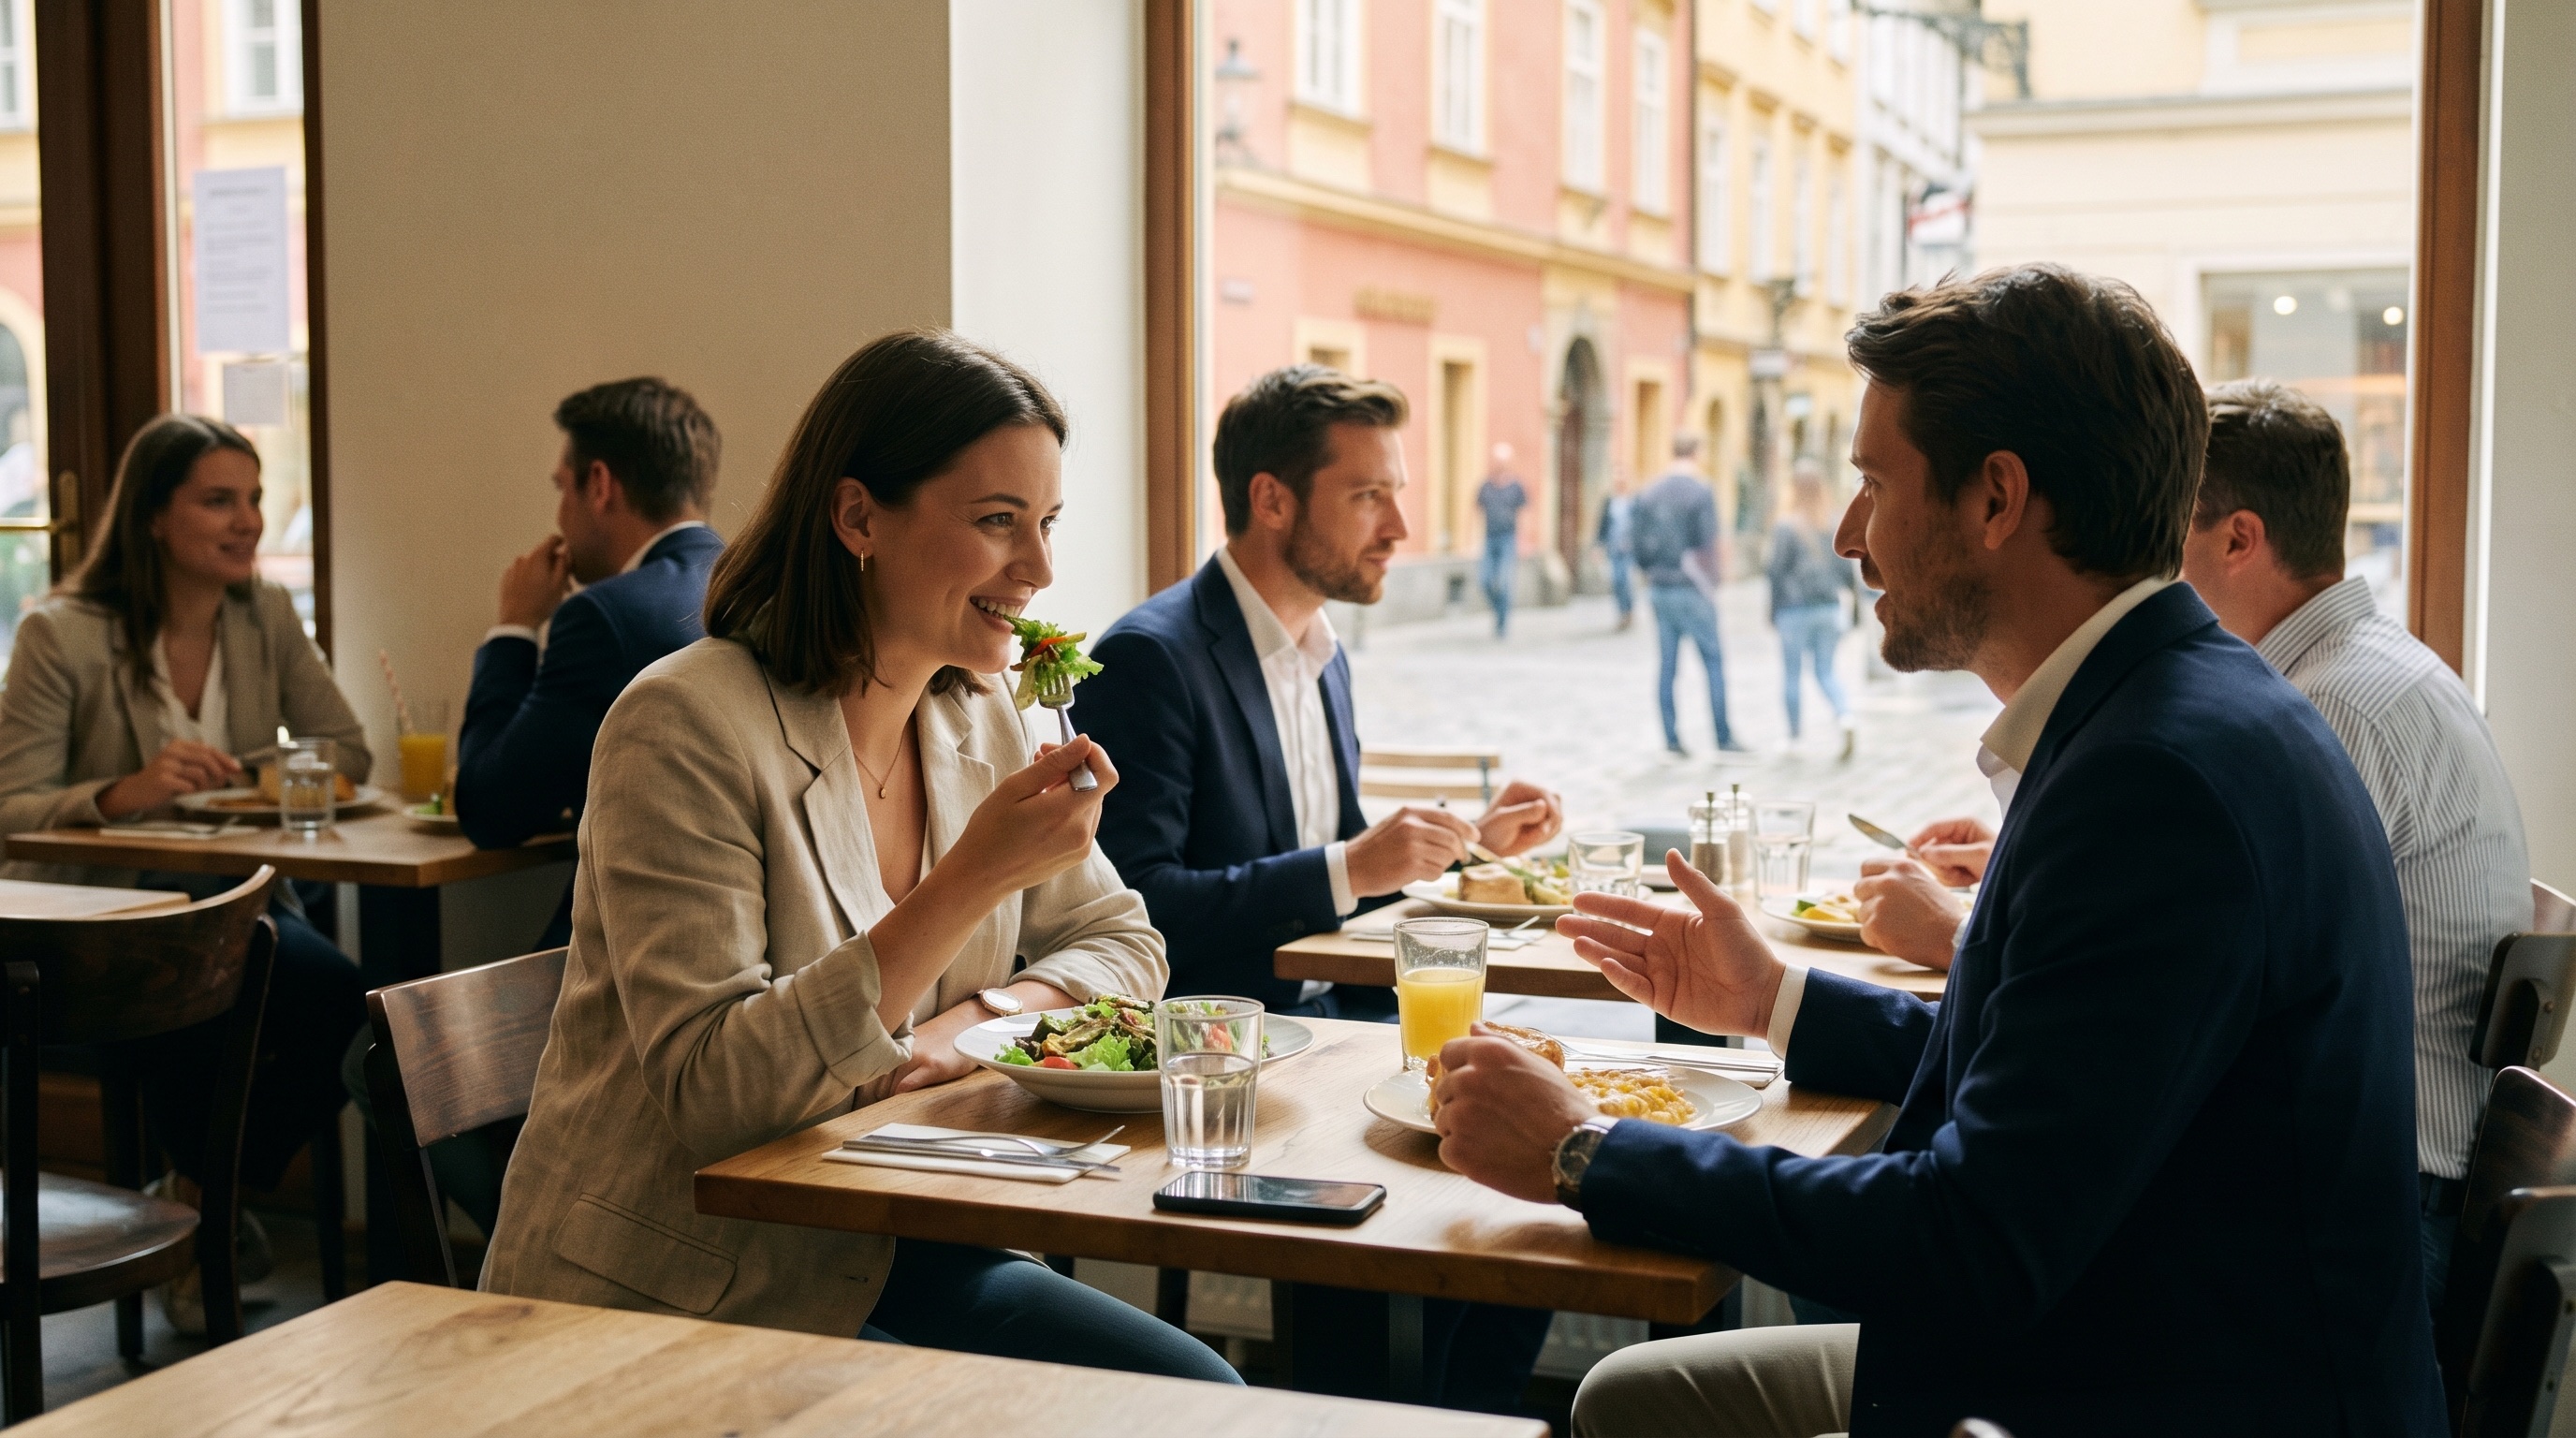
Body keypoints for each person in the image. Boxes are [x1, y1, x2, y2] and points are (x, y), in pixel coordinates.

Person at [1431, 265, 2442, 1435]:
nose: (1850, 536)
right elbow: (2054, 1067)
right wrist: (1772, 996)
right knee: (1631, 1398)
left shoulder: (2149, 779)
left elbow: (1973, 1239)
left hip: (2140, 1390)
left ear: (1997, 499)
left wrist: (1584, 1152)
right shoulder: (2173, 709)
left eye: (1873, 483)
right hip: (2136, 1345)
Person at [481, 330, 1233, 1384]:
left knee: (1201, 1395)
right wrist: (971, 878)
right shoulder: (683, 724)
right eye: (996, 522)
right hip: (683, 1288)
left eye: (1047, 523)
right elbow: (718, 1094)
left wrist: (981, 1024)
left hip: (898, 1241)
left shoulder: (981, 719)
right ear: (857, 518)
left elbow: (1122, 940)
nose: (1040, 568)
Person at [1855, 378, 2529, 1315]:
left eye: (2159, 535)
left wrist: (1960, 931)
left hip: (2365, 1222)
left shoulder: (2330, 706)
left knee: (1919, 1250)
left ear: (2239, 540)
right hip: (2364, 1179)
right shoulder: (2356, 673)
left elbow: (2194, 970)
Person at [1074, 363, 1563, 1412]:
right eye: (1369, 495)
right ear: (1271, 500)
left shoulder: (1323, 654)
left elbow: (1326, 865)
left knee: (1534, 1221)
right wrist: (1356, 866)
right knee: (1403, 1228)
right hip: (1217, 1059)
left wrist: (1470, 846)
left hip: (1336, 1032)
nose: (1398, 525)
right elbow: (1141, 909)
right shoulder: (1149, 657)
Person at [0, 414, 371, 1330]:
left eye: (252, 499)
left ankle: (199, 1198)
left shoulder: (265, 614)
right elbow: (11, 808)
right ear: (155, 518)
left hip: (239, 902)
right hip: (110, 922)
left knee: (349, 1008)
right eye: (219, 501)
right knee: (204, 989)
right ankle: (195, 1239)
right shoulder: (63, 633)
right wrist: (125, 792)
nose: (248, 521)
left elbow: (349, 748)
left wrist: (253, 776)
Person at [456, 376, 725, 951]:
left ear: (599, 484)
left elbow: (490, 810)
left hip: (634, 955)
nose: (560, 514)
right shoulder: (757, 585)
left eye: (562, 488)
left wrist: (514, 628)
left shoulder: (605, 618)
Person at [1631, 433, 1741, 756]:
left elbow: (1636, 545)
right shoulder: (1700, 492)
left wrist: (1651, 569)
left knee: (1667, 667)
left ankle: (1671, 739)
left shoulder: (1650, 492)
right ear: (1696, 453)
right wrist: (1714, 582)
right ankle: (1722, 737)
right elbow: (1708, 545)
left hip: (1661, 587)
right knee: (1713, 662)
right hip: (1693, 588)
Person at [1767, 461, 1858, 758]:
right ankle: (1844, 716)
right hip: (1828, 608)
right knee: (1826, 672)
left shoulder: (1786, 526)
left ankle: (1794, 739)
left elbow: (1776, 573)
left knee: (1792, 674)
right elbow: (1845, 571)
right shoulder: (1832, 522)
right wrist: (1853, 608)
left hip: (1794, 611)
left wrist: (1772, 612)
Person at [1474, 442, 1527, 638]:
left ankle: (1502, 623)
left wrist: (1523, 541)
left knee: (1505, 583)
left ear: (1509, 463)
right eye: (1497, 460)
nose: (1500, 464)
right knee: (1485, 580)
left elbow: (1524, 514)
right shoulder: (1485, 486)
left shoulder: (1516, 487)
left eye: (1503, 461)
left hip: (1508, 538)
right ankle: (1499, 610)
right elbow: (1476, 511)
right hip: (1489, 538)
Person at [1597, 464, 1637, 631]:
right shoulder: (1609, 501)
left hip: (1630, 547)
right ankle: (1622, 612)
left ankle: (1628, 611)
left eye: (1622, 475)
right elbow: (1602, 525)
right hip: (1613, 546)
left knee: (1626, 580)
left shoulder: (1634, 500)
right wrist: (1598, 545)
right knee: (1616, 580)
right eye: (1616, 476)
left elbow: (1640, 525)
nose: (1619, 479)